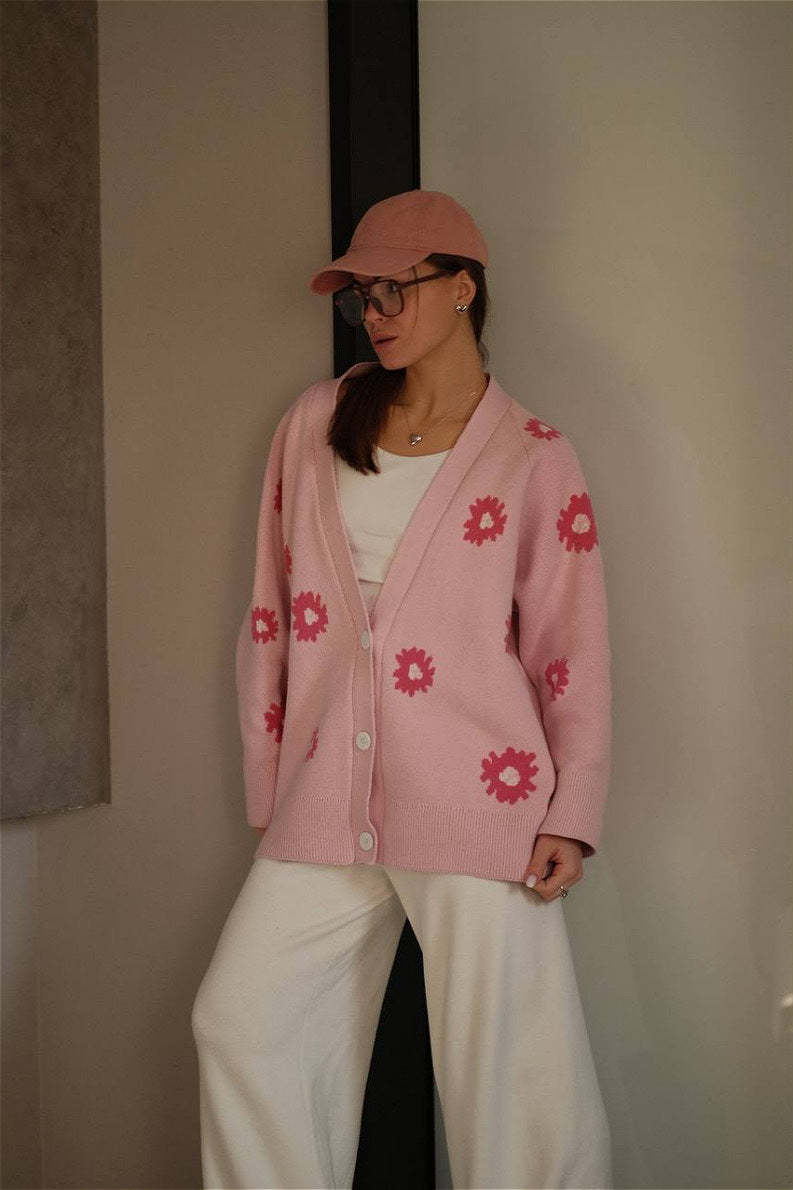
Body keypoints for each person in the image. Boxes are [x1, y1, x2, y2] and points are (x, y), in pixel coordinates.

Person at [191, 189, 613, 1189]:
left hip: (479, 797)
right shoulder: (316, 421)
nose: (373, 313)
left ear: (462, 287)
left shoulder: (532, 454)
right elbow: (269, 613)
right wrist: (272, 777)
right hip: (326, 795)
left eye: (393, 289)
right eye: (360, 297)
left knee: (510, 1076)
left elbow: (571, 647)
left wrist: (573, 810)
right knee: (242, 1020)